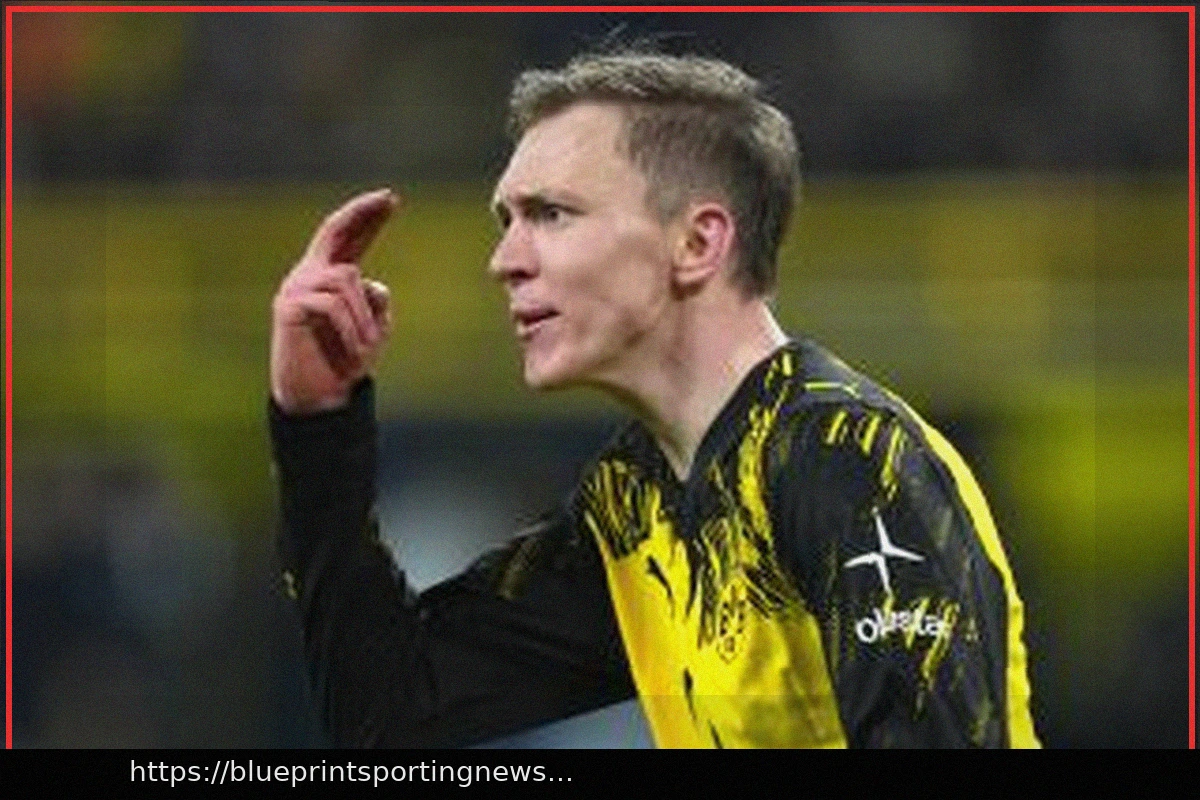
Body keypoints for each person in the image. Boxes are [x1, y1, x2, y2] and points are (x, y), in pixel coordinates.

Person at [268, 51, 1040, 748]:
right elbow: (391, 712)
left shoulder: (849, 459)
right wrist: (317, 429)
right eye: (507, 221)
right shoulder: (636, 502)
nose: (504, 260)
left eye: (551, 214)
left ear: (697, 243)